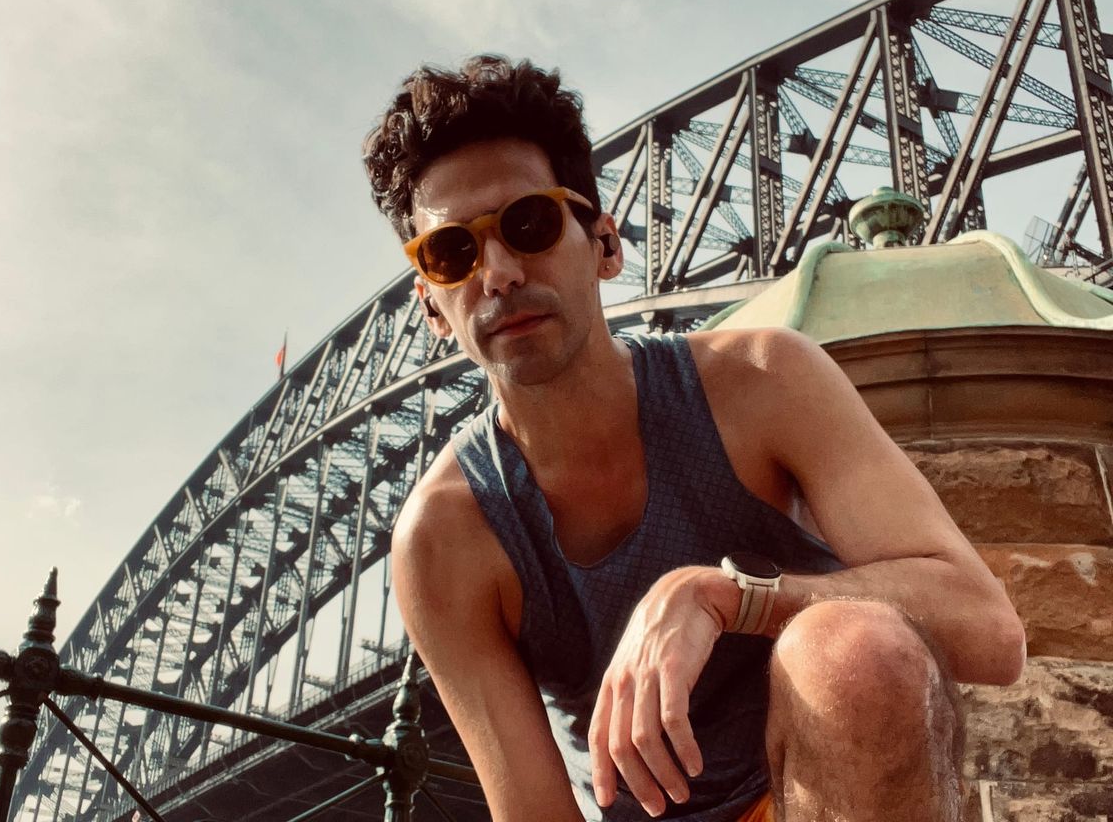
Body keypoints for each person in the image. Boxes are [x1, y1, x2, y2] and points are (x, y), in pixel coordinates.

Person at [362, 55, 1025, 822]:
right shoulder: (445, 537)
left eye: (531, 223)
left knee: (852, 655)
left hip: (836, 790)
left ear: (605, 245)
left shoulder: (763, 378)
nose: (500, 272)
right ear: (433, 309)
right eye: (454, 252)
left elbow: (989, 631)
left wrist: (726, 597)